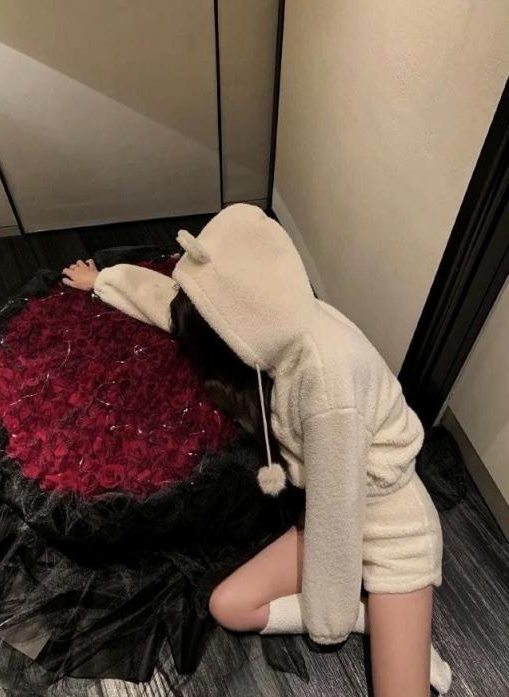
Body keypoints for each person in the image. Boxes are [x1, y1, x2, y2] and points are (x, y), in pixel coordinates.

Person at [62, 203, 452, 696]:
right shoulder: (272, 319)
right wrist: (105, 280)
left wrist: (328, 620)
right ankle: (375, 621)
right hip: (325, 514)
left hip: (392, 529)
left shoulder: (328, 381)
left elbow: (338, 514)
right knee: (229, 606)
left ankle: (385, 627)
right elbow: (180, 309)